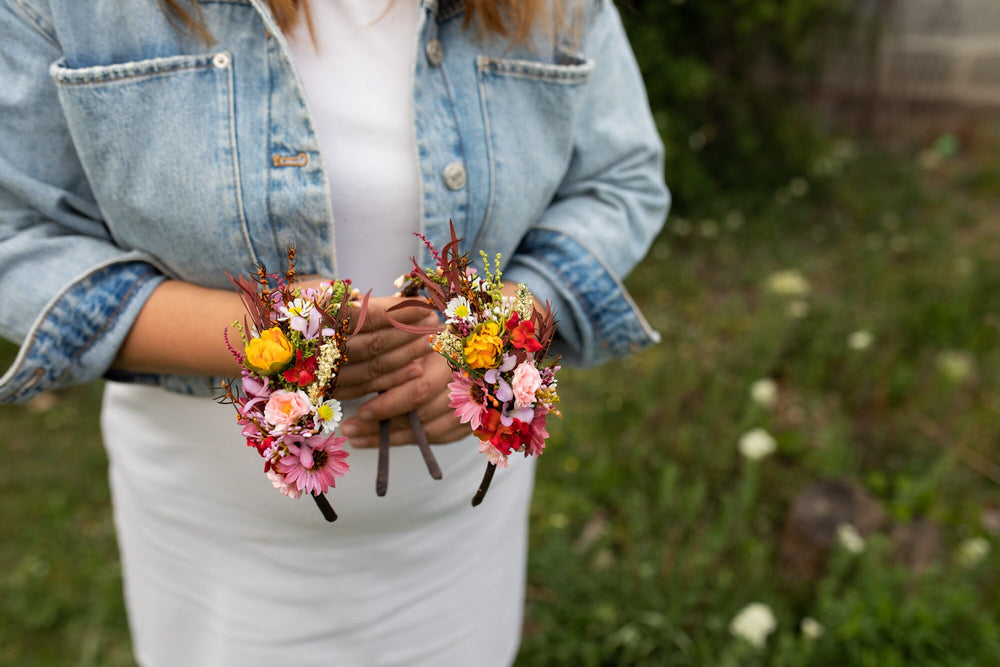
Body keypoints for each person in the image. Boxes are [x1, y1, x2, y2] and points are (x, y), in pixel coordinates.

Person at [0, 0, 668, 664]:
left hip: (458, 531)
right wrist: (257, 335)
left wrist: (503, 323)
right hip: (221, 543)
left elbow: (618, 181)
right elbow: (17, 233)